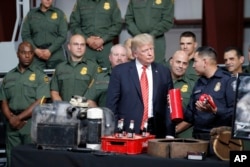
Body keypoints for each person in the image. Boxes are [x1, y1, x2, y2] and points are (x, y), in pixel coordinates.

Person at [106, 33, 175, 138]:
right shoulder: (120, 72)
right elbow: (111, 105)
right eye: (145, 51)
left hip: (157, 130)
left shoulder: (163, 72)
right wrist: (115, 130)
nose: (150, 53)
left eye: (151, 49)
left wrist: (169, 132)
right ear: (135, 54)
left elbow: (169, 105)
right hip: (127, 129)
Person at [0, 41, 50, 167]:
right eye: (23, 52)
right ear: (18, 54)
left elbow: (41, 101)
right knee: (12, 158)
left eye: (30, 53)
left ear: (33, 54)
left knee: (31, 159)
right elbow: (3, 100)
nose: (27, 56)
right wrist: (12, 119)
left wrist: (19, 118)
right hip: (12, 124)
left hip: (31, 123)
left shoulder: (40, 76)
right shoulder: (9, 77)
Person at [176, 46, 235, 148]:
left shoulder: (227, 80)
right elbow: (189, 116)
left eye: (195, 61)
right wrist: (175, 104)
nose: (193, 65)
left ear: (205, 62)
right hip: (198, 140)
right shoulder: (199, 82)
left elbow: (235, 113)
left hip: (220, 140)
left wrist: (215, 110)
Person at [69, 0, 123, 68]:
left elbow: (117, 25)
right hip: (86, 47)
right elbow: (74, 24)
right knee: (84, 73)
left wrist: (102, 40)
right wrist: (87, 40)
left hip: (106, 47)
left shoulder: (112, 2)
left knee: (109, 74)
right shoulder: (80, 2)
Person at [50, 34, 100, 102]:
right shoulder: (60, 67)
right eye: (76, 44)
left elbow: (97, 93)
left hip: (86, 110)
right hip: (64, 110)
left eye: (82, 44)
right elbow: (54, 92)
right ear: (69, 47)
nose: (79, 47)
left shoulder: (94, 67)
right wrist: (63, 108)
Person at [21, 0, 68, 70]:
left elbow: (63, 35)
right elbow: (25, 35)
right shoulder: (31, 14)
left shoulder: (59, 14)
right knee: (34, 78)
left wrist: (50, 50)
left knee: (60, 78)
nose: (48, 0)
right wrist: (36, 50)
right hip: (36, 56)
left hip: (56, 55)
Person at [169, 50, 195, 138]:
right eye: (178, 62)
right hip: (162, 135)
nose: (181, 66)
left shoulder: (192, 85)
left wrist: (177, 129)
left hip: (185, 136)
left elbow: (196, 113)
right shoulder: (161, 81)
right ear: (171, 62)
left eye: (184, 63)